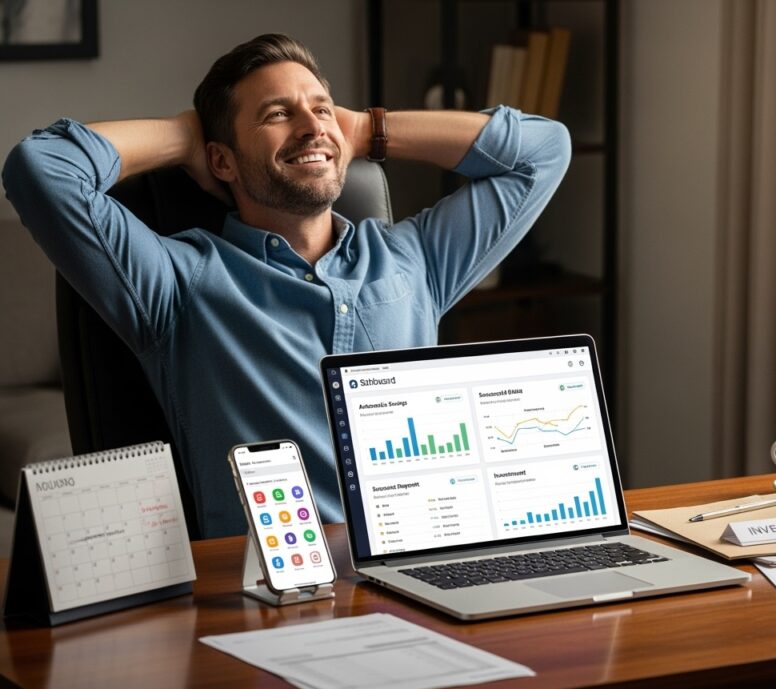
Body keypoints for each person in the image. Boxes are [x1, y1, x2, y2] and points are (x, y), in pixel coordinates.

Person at [3, 34, 570, 538]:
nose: (313, 126)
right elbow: (42, 168)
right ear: (221, 160)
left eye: (321, 108)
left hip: (426, 558)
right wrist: (184, 136)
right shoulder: (179, 283)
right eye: (278, 114)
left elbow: (543, 151)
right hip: (278, 589)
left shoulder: (414, 259)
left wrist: (365, 128)